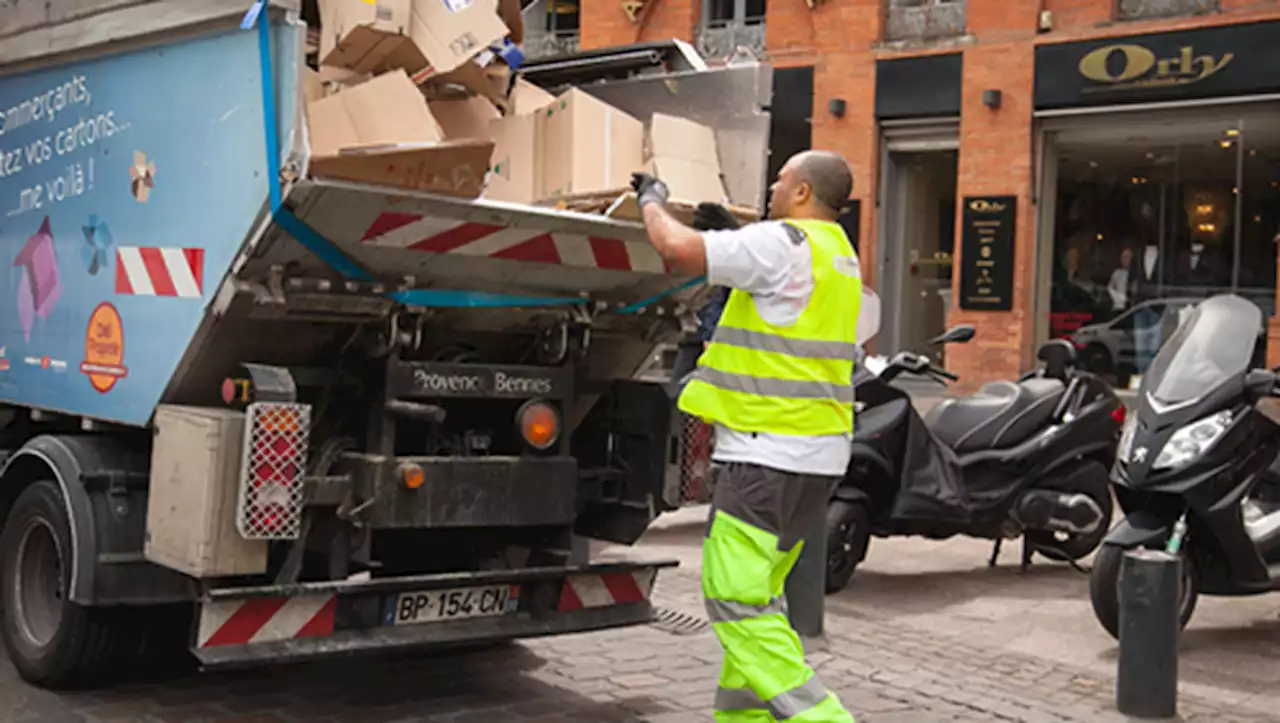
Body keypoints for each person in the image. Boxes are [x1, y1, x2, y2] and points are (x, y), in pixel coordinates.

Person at [631, 149, 861, 723]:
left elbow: (674, 249)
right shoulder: (838, 255)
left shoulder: (781, 243)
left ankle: (824, 718)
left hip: (765, 453)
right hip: (816, 458)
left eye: (781, 181)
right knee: (760, 600)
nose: (773, 191)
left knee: (733, 597)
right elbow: (783, 299)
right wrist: (736, 236)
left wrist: (651, 201)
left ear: (804, 192)